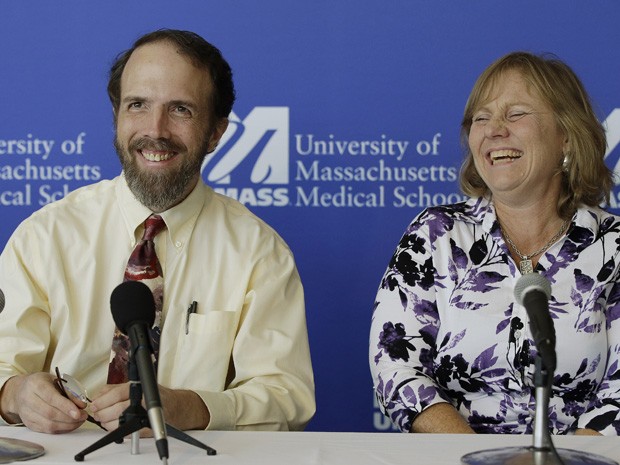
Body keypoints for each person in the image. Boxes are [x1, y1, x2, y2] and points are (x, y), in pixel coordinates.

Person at [0, 29, 315, 434]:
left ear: (216, 132)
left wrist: (194, 408)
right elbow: (4, 367)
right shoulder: (45, 236)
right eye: (137, 105)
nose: (156, 130)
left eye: (181, 109)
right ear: (117, 115)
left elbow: (288, 395)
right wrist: (15, 394)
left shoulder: (259, 252)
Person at [370, 51, 620, 435]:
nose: (493, 130)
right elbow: (396, 367)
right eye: (480, 118)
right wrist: (474, 458)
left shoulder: (614, 246)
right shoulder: (436, 234)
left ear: (566, 135)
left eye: (516, 113)